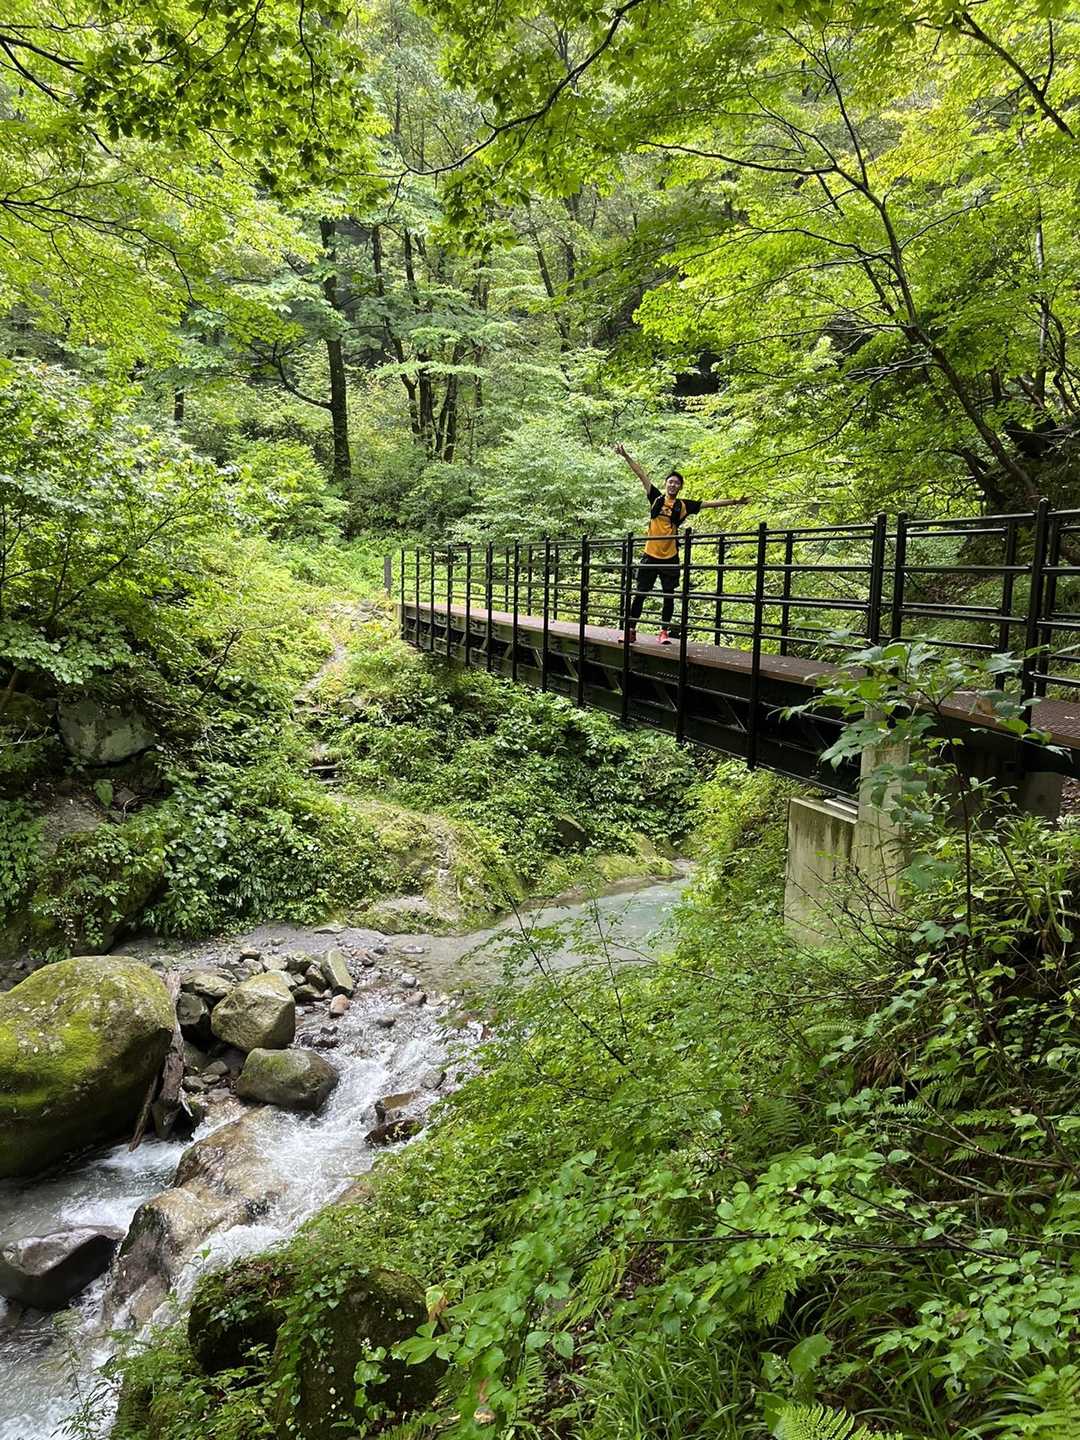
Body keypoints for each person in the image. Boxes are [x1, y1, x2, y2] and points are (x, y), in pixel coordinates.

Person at [614, 444, 749, 644]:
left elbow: (708, 504)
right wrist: (625, 455)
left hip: (670, 556)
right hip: (650, 554)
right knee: (640, 593)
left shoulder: (684, 505)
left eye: (676, 483)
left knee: (669, 595)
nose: (673, 485)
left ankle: (663, 632)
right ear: (666, 484)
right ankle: (631, 630)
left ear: (680, 487)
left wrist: (735, 501)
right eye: (670, 482)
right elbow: (641, 475)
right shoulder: (656, 498)